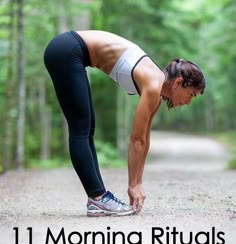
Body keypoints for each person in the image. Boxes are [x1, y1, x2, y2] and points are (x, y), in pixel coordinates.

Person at [44, 30, 206, 217]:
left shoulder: (157, 91)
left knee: (87, 129)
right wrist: (131, 186)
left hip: (71, 52)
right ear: (178, 82)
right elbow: (135, 139)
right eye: (191, 95)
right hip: (67, 49)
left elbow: (144, 139)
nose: (188, 102)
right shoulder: (154, 85)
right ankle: (98, 198)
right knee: (81, 128)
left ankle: (98, 198)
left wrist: (138, 184)